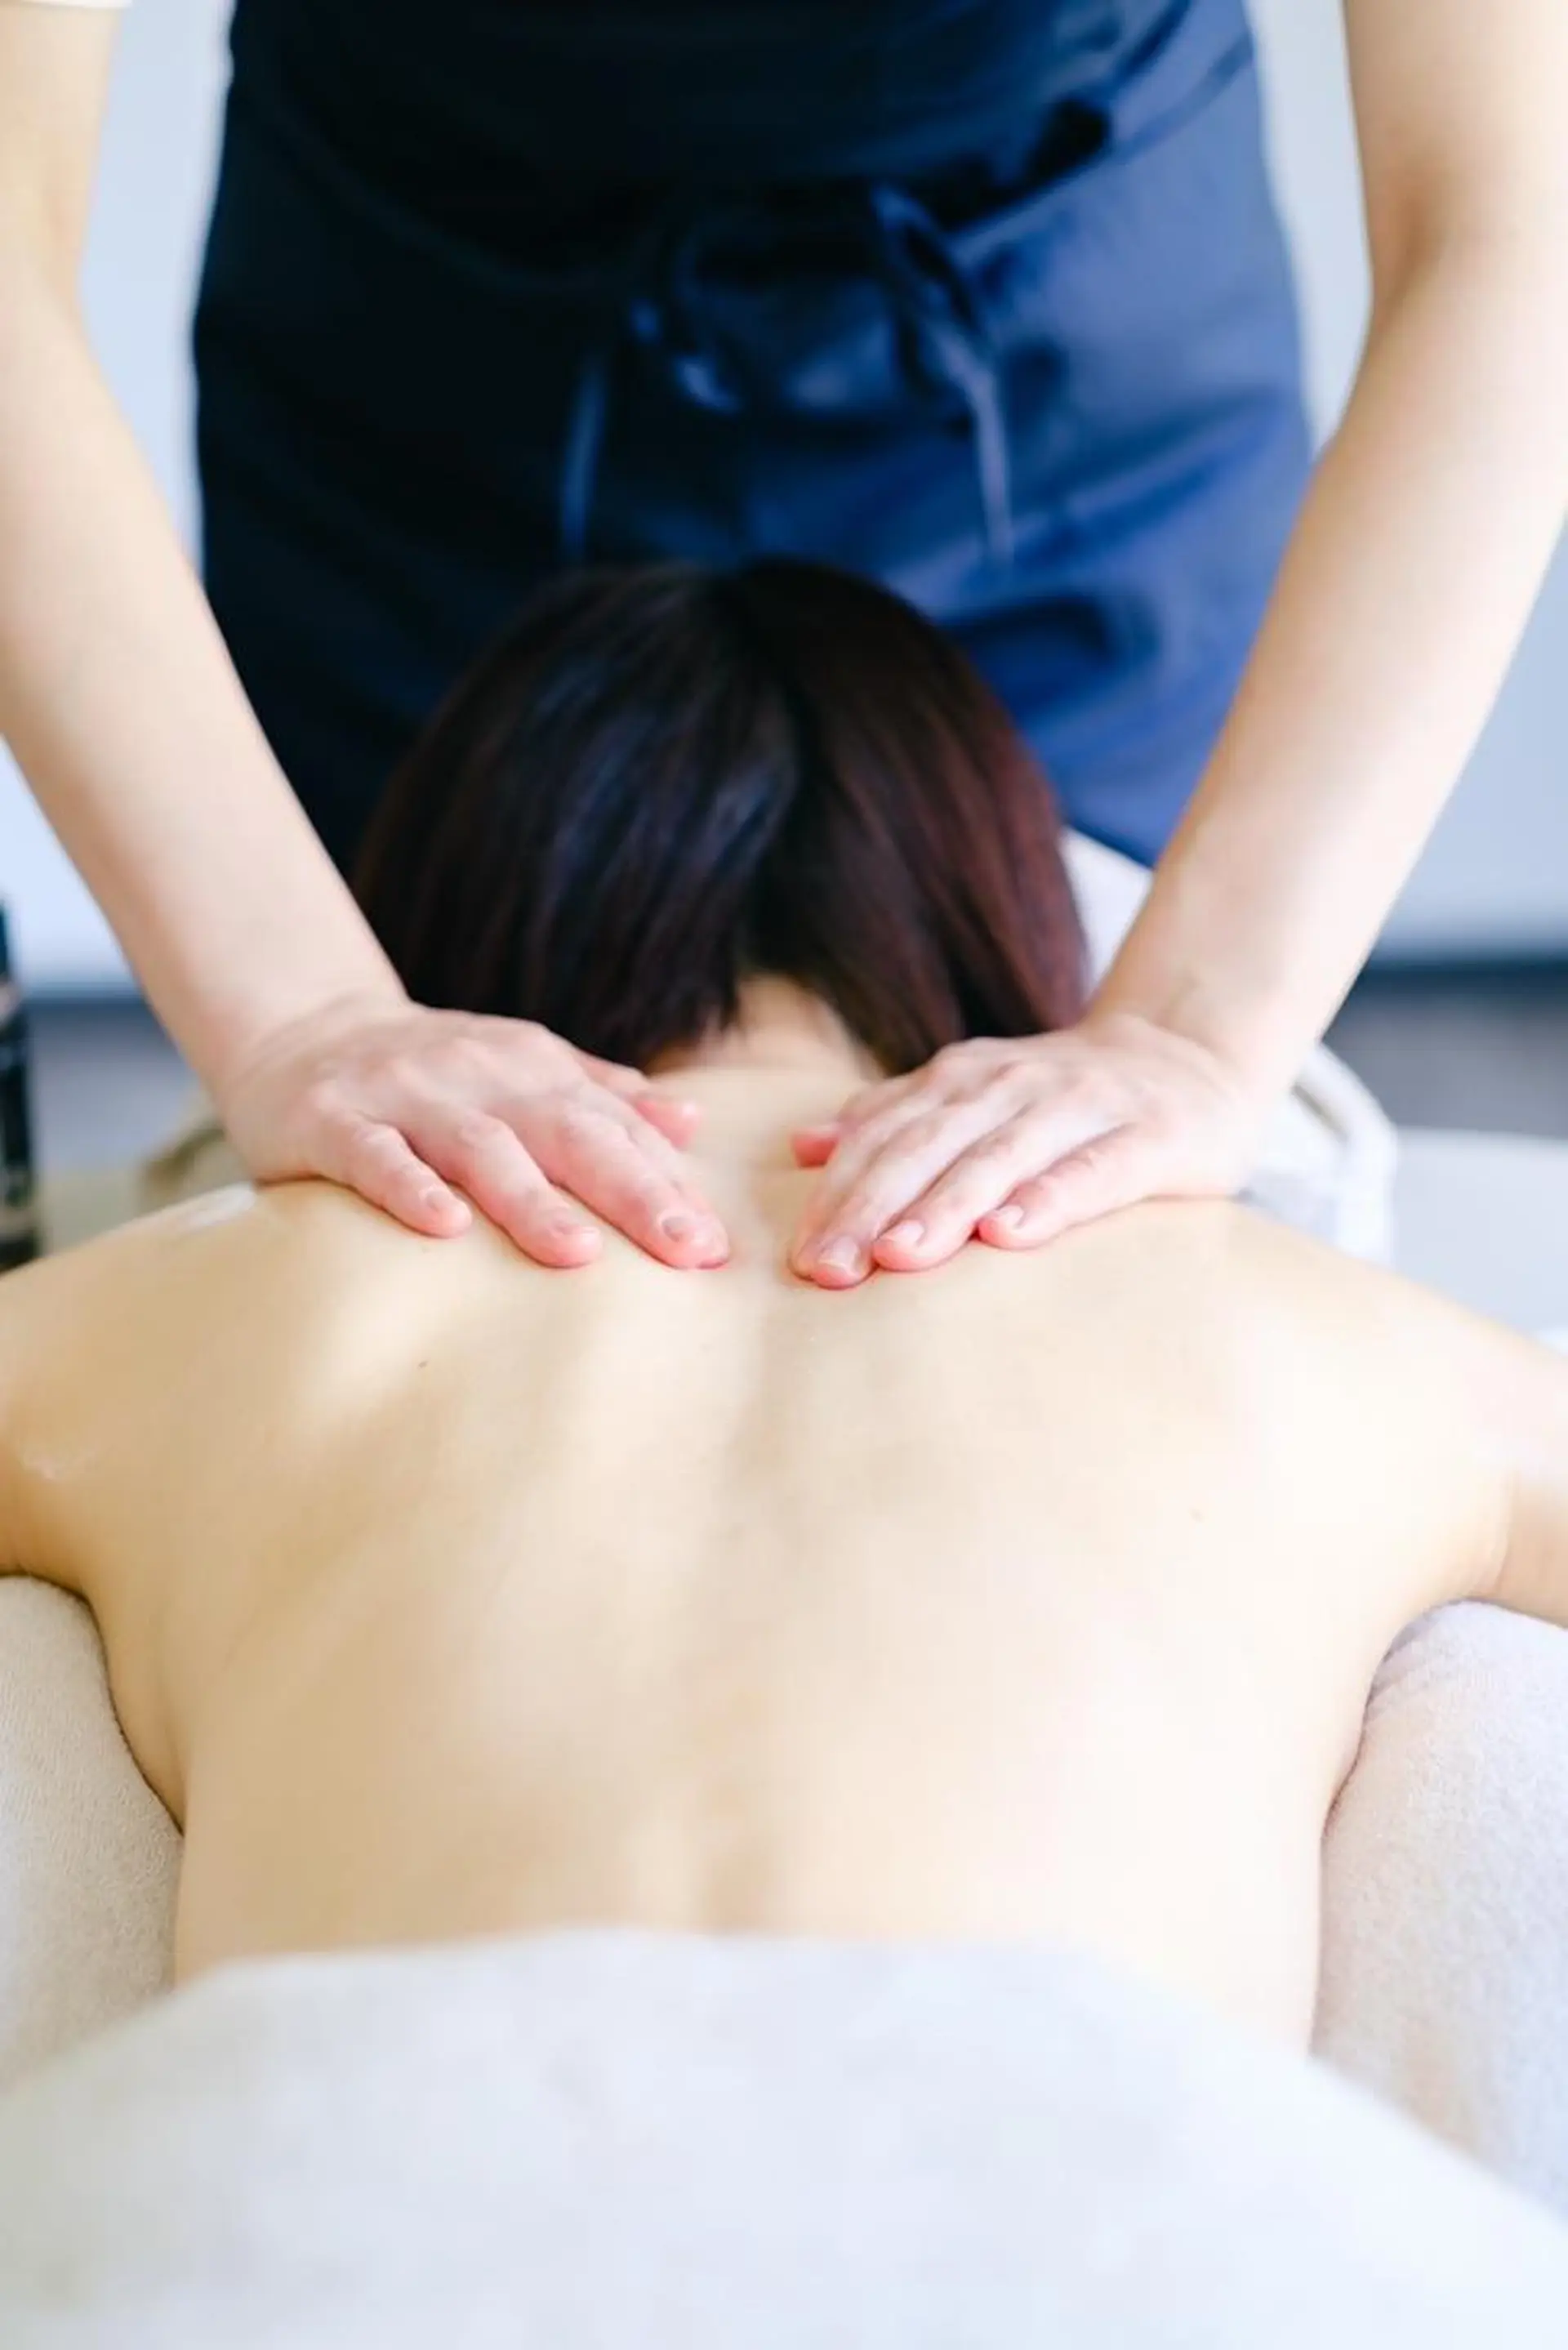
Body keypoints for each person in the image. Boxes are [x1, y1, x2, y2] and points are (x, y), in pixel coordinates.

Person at [1, 559, 1565, 2046]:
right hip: (1085, 2155)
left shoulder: (207, 1295)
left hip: (336, 2168)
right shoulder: (1311, 1333)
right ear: (1007, 929)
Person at [2, 4, 1566, 1289]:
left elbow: (1510, 225)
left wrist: (1193, 1039)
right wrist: (305, 1018)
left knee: (1100, 1211)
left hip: (1056, 384)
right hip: (422, 371)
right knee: (392, 1216)